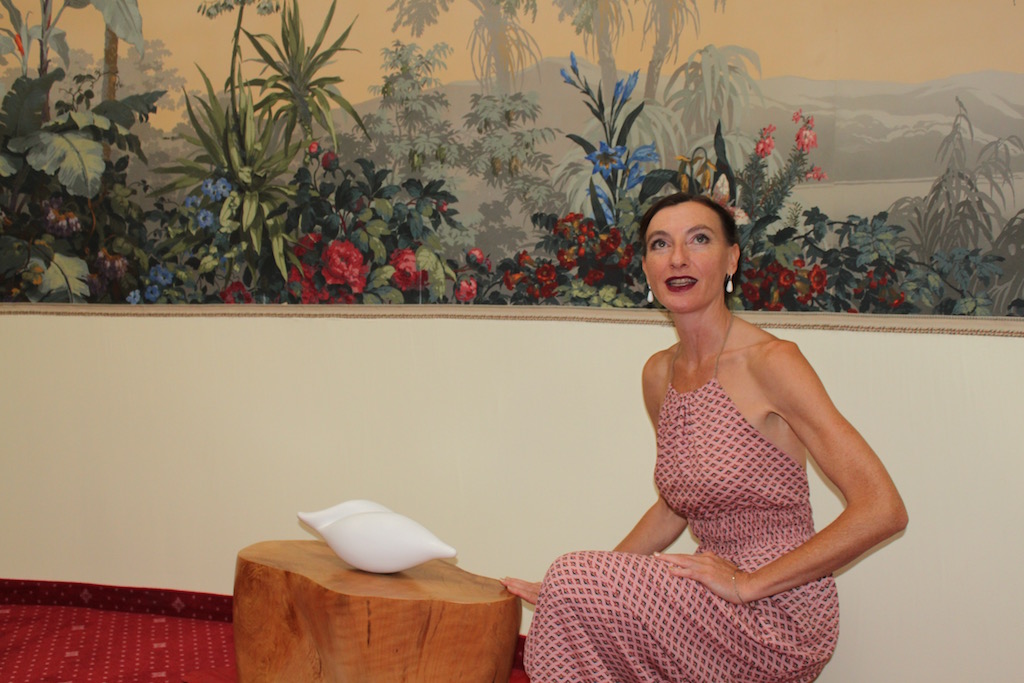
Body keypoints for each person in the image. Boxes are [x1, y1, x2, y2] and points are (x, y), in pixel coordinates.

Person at [501, 192, 908, 683]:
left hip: (778, 609)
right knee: (568, 586)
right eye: (660, 244)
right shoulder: (659, 374)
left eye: (698, 240)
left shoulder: (772, 362)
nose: (678, 258)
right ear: (646, 268)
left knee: (571, 577)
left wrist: (746, 584)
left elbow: (883, 509)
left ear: (731, 259)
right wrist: (580, 589)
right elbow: (676, 505)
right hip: (704, 594)